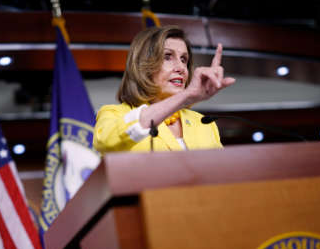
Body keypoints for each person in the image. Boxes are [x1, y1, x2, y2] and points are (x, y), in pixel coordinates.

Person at [93, 25, 235, 153]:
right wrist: (186, 95)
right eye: (167, 57)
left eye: (184, 59)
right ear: (143, 66)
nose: (181, 68)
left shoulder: (203, 123)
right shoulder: (114, 114)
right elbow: (105, 144)